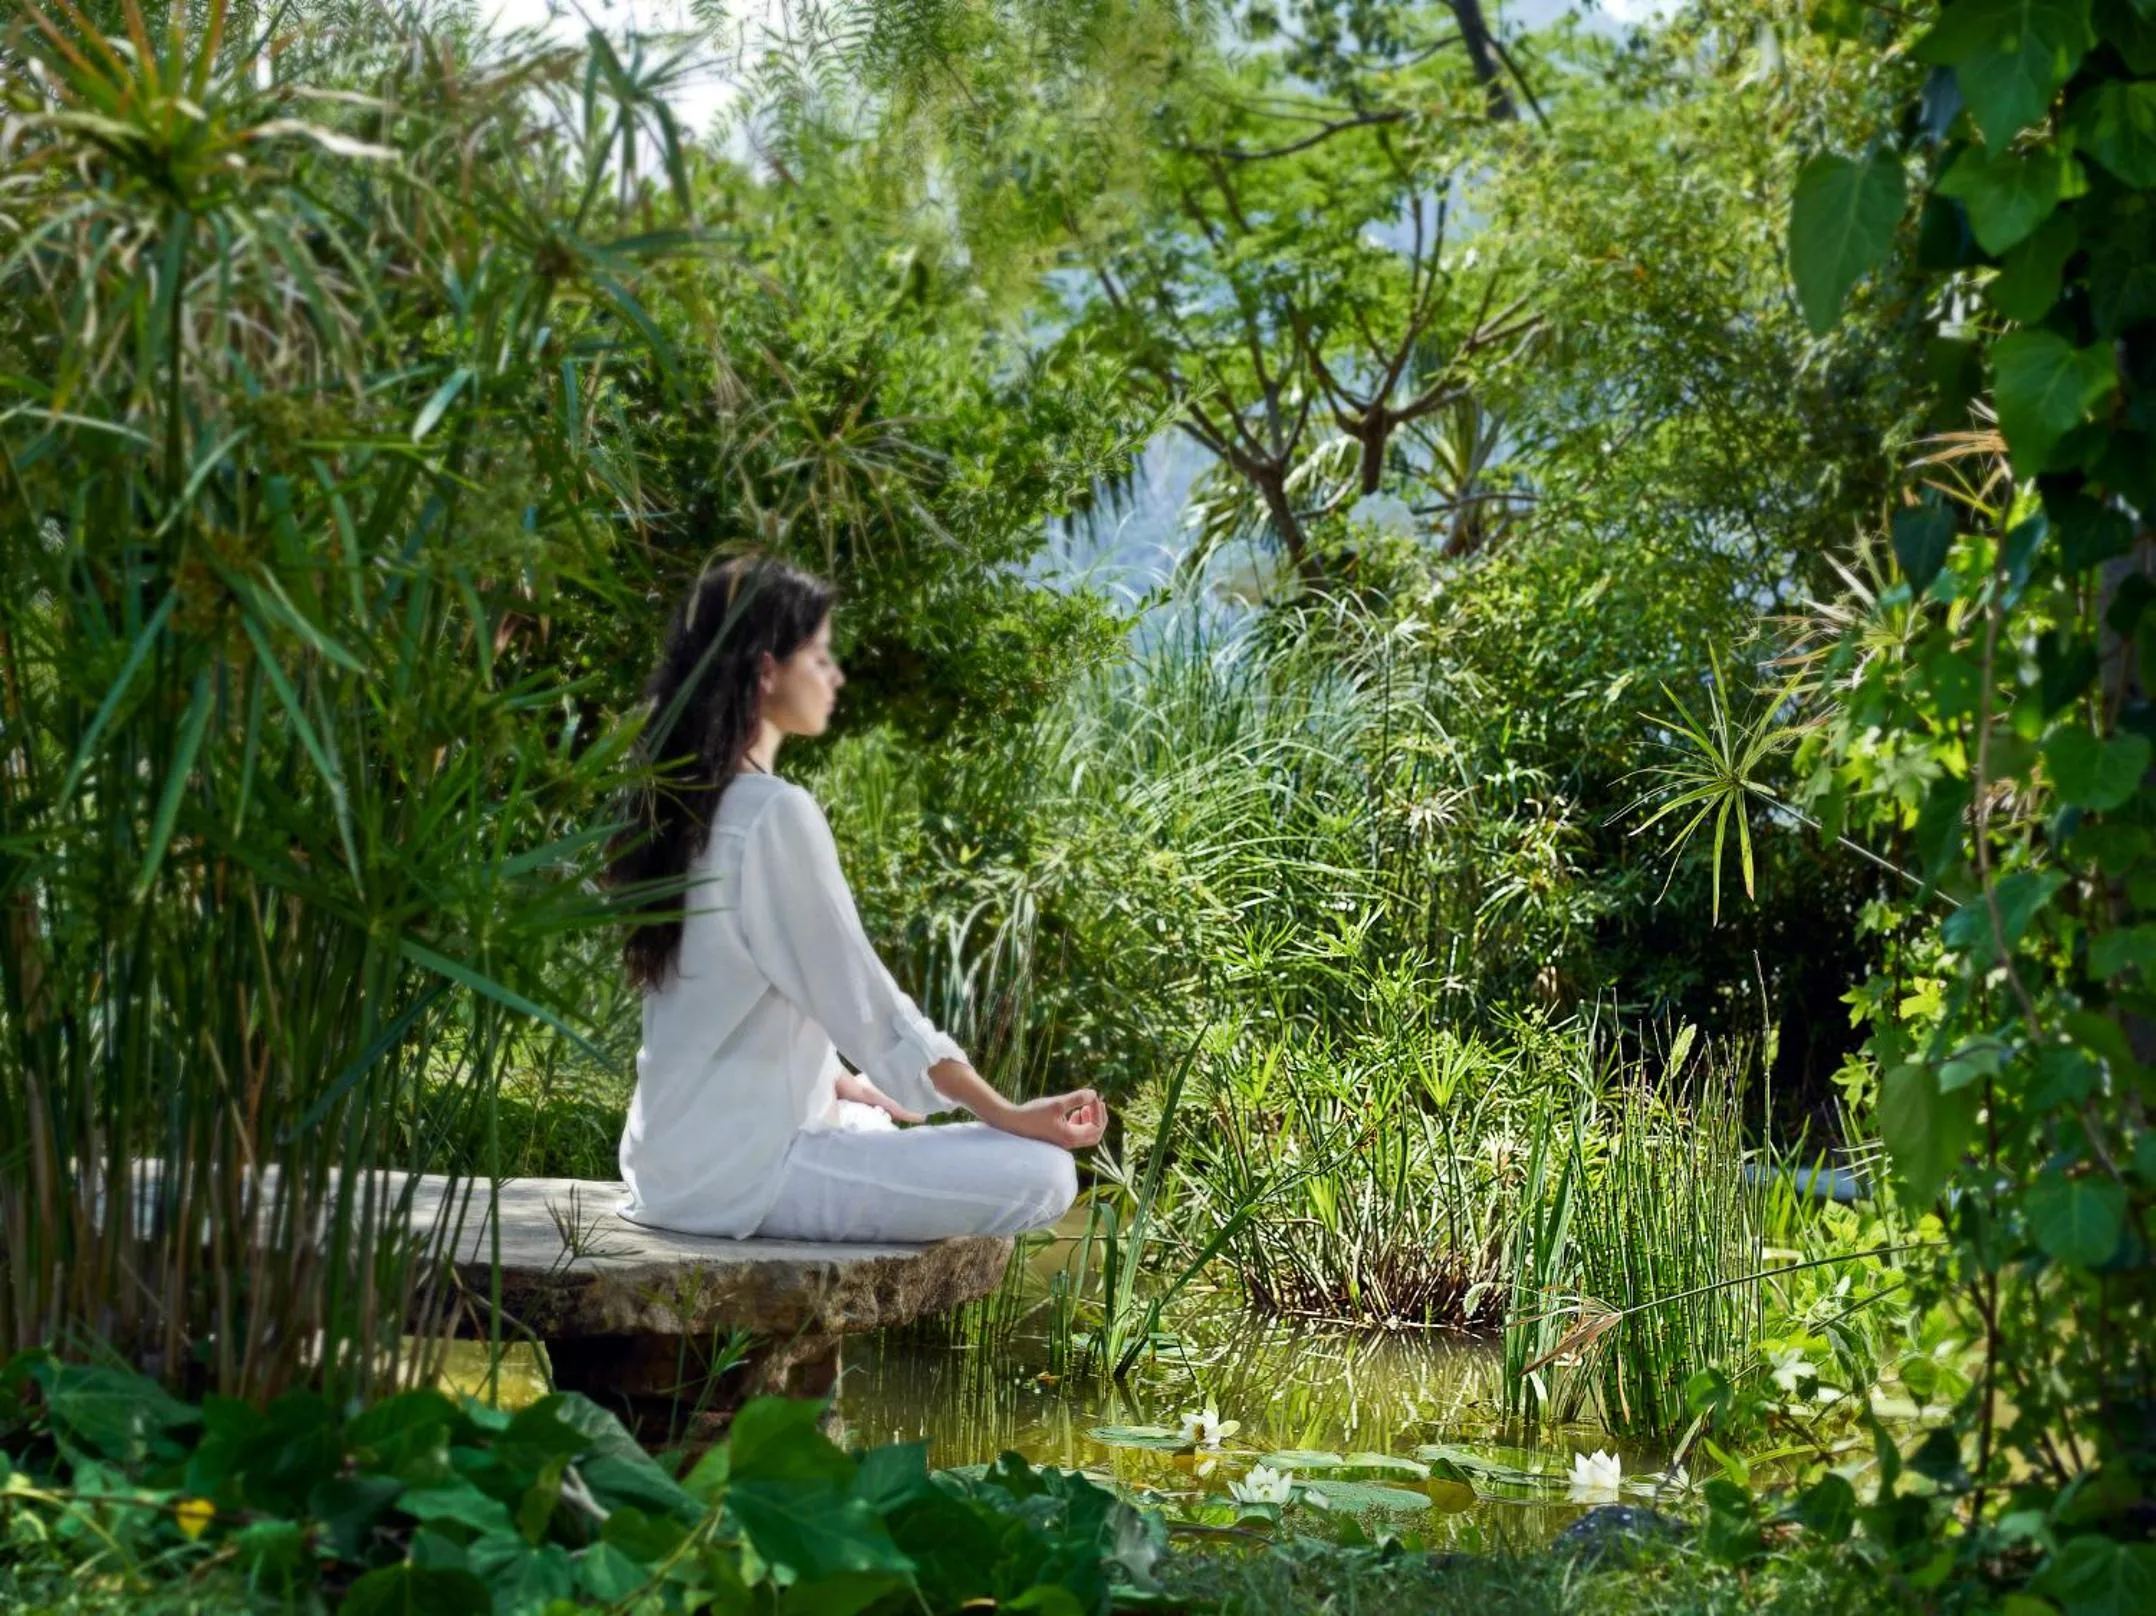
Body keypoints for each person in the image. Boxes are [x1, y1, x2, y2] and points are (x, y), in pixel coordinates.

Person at [605, 554, 1107, 1243]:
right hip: (745, 1177)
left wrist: (839, 1081)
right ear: (765, 671)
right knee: (1045, 1174)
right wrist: (1010, 1113)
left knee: (866, 1115)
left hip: (668, 1166)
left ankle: (837, 1107)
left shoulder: (680, 807)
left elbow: (723, 1004)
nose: (834, 675)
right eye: (818, 656)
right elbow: (871, 1006)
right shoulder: (772, 814)